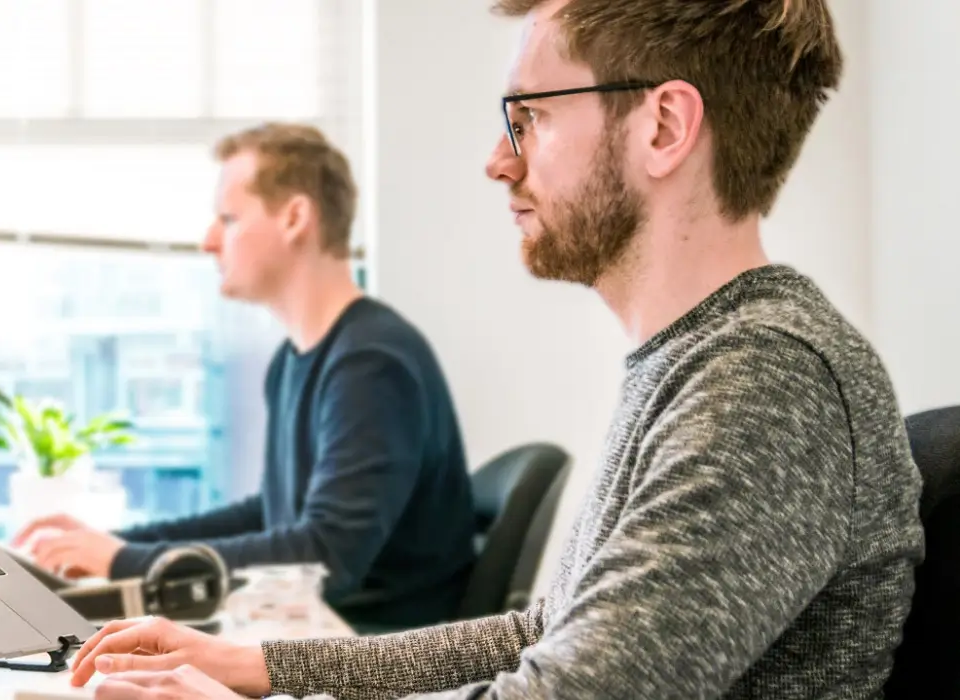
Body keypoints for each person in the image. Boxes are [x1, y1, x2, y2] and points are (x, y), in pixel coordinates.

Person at [62, 0, 927, 698]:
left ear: (663, 126)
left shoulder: (765, 381)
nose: (497, 161)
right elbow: (543, 631)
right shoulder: (700, 359)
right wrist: (259, 668)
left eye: (530, 119)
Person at [12, 123, 481, 633]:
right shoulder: (297, 359)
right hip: (312, 632)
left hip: (368, 652)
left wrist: (126, 563)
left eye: (229, 219)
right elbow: (272, 514)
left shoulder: (371, 364)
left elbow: (326, 559)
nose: (208, 241)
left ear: (295, 218)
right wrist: (121, 546)